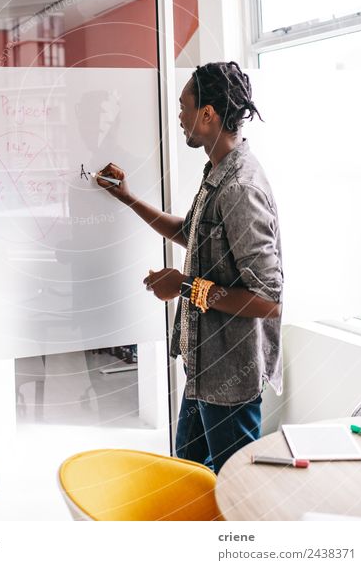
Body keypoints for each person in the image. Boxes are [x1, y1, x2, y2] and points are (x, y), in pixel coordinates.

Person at [95, 61, 283, 473]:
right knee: (187, 480)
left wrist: (184, 287)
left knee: (230, 495)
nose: (178, 116)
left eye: (183, 106)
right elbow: (190, 233)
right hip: (203, 370)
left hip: (230, 380)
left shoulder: (240, 188)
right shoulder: (217, 171)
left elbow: (269, 302)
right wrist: (126, 198)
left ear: (208, 114)